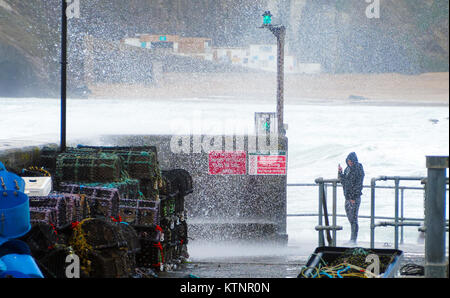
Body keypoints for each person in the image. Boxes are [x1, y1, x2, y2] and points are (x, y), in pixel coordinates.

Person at [338, 152, 365, 245]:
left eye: (351, 161)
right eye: (348, 161)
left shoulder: (358, 168)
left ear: (354, 160)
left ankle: (353, 240)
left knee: (353, 218)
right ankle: (352, 239)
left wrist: (353, 197)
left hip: (354, 198)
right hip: (347, 197)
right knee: (350, 218)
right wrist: (340, 172)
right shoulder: (347, 169)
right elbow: (343, 181)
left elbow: (359, 184)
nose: (349, 162)